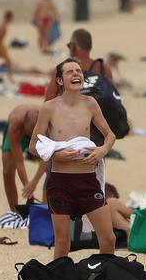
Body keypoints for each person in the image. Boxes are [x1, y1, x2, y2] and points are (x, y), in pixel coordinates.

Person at [26, 59, 118, 261]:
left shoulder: (90, 104)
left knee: (108, 239)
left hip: (87, 181)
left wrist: (102, 150)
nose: (76, 74)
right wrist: (55, 155)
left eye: (78, 71)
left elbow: (110, 135)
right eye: (70, 72)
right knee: (62, 242)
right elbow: (34, 146)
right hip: (60, 182)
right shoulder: (49, 108)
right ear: (59, 80)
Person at [43, 28, 115, 100]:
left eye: (69, 45)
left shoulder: (63, 69)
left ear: (73, 47)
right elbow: (114, 97)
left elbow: (48, 101)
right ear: (90, 47)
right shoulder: (104, 68)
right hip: (102, 110)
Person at [2, 102, 41, 213]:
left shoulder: (47, 123)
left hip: (40, 133)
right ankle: (14, 213)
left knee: (53, 170)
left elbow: (46, 162)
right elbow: (19, 162)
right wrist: (28, 189)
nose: (31, 137)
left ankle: (49, 211)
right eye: (29, 134)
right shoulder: (15, 126)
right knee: (7, 171)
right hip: (18, 131)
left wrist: (34, 183)